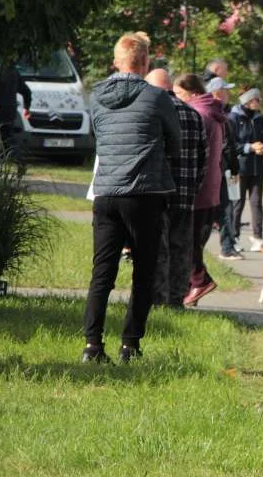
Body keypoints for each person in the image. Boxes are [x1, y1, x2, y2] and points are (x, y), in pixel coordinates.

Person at [81, 33, 180, 364]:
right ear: (146, 63)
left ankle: (92, 346)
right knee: (144, 270)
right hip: (143, 194)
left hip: (106, 192)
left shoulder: (96, 97)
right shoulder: (156, 98)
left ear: (115, 62)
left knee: (102, 272)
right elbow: (175, 142)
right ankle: (130, 344)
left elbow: (98, 136)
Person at [144, 69, 207, 306]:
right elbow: (204, 158)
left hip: (156, 194)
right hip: (185, 193)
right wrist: (193, 187)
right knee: (181, 250)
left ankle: (156, 300)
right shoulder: (193, 115)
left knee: (158, 250)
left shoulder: (152, 113)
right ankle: (176, 299)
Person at [174, 74, 226, 307]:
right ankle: (188, 288)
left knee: (188, 240)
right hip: (211, 188)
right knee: (195, 240)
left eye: (179, 94)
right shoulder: (212, 111)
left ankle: (200, 280)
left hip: (198, 188)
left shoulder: (199, 114)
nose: (177, 99)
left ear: (192, 92)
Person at [230, 87, 263, 252]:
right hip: (239, 168)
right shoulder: (233, 118)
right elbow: (231, 144)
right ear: (248, 100)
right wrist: (249, 147)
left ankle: (258, 237)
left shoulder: (259, 117)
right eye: (257, 99)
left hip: (258, 168)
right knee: (237, 203)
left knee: (257, 203)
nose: (260, 102)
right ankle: (234, 237)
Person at [206, 77, 242, 260]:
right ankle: (227, 248)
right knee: (224, 209)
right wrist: (234, 169)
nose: (228, 93)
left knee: (220, 210)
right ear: (217, 93)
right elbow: (228, 147)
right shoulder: (220, 116)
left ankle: (228, 245)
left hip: (216, 169)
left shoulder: (217, 113)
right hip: (217, 170)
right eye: (225, 90)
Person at [0, 59, 32, 163]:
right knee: (8, 136)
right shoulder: (13, 72)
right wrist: (27, 107)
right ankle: (12, 158)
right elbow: (26, 91)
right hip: (10, 110)